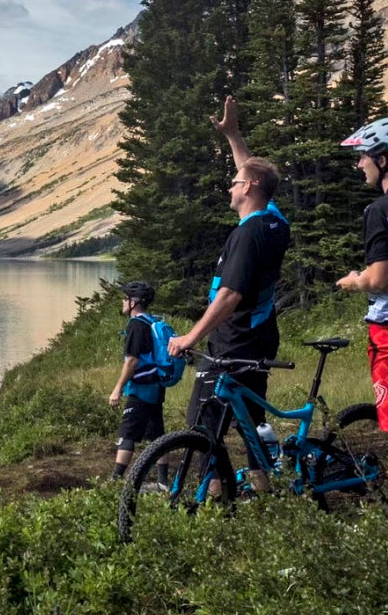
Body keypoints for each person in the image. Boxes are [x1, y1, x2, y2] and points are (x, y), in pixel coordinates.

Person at [168, 96, 291, 495]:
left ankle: (215, 500)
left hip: (233, 339)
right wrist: (234, 136)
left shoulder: (247, 234)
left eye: (236, 181)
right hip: (260, 335)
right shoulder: (275, 220)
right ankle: (263, 489)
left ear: (249, 188)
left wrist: (191, 337)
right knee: (250, 417)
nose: (231, 184)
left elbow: (230, 295)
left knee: (203, 421)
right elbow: (254, 172)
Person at [335, 115, 388, 502]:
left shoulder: (381, 210)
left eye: (364, 157)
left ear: (383, 160)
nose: (359, 165)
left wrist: (354, 280)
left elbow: (380, 278)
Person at [106, 281, 172, 484]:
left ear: (134, 302)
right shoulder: (151, 321)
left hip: (141, 388)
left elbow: (132, 361)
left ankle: (114, 481)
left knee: (127, 433)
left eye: (125, 298)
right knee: (157, 435)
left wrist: (117, 388)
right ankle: (163, 482)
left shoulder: (135, 325)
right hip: (156, 385)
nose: (122, 302)